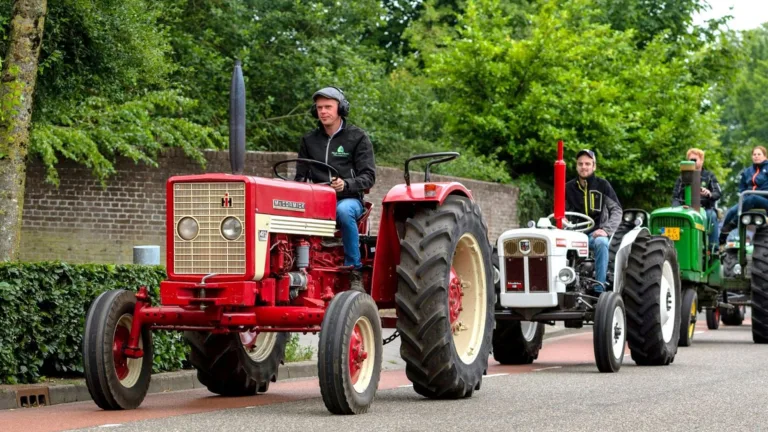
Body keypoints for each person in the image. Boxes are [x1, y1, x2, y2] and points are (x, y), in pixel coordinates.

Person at [294, 87, 376, 292]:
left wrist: (346, 184)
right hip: (316, 201)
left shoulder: (357, 138)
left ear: (341, 108)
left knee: (343, 211)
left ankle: (354, 270)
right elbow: (300, 176)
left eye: (328, 107)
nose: (323, 111)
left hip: (348, 199)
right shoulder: (309, 140)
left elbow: (369, 177)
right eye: (320, 107)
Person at [565, 149, 622, 294]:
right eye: (580, 164)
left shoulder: (602, 185)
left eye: (587, 164)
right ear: (576, 166)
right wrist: (564, 222)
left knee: (601, 242)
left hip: (595, 234)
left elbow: (617, 210)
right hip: (573, 234)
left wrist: (606, 230)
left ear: (594, 166)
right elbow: (561, 213)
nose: (584, 167)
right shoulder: (568, 187)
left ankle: (599, 287)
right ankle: (563, 284)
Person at [671, 148, 722, 250]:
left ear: (702, 161)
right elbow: (675, 197)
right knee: (674, 218)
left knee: (711, 215)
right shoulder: (682, 178)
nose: (692, 162)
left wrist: (709, 193)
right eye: (690, 160)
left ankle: (713, 249)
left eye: (695, 160)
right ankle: (675, 248)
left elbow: (718, 193)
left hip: (705, 209)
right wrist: (677, 208)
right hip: (686, 209)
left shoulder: (709, 176)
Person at [720, 146, 768, 242]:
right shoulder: (748, 171)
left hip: (765, 199)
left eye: (759, 154)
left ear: (765, 156)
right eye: (754, 154)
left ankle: (734, 222)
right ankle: (722, 237)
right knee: (731, 211)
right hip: (749, 199)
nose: (756, 156)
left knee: (753, 198)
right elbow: (742, 188)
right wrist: (744, 195)